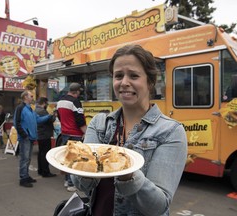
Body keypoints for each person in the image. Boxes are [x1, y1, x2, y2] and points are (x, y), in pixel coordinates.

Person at [71, 44, 187, 215]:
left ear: (150, 81)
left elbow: (157, 207)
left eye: (133, 75)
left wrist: (128, 175)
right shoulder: (99, 124)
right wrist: (82, 165)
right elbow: (82, 185)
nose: (124, 83)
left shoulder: (170, 132)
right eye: (118, 76)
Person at [13, 90, 53, 188]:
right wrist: (24, 134)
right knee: (24, 158)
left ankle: (26, 176)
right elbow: (16, 122)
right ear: (25, 97)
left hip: (30, 137)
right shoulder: (20, 108)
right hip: (25, 137)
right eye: (31, 96)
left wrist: (49, 116)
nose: (32, 98)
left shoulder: (30, 108)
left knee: (28, 158)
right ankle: (23, 178)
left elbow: (38, 120)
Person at [57, 82, 87, 192]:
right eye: (79, 92)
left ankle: (66, 180)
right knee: (74, 160)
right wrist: (86, 132)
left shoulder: (60, 101)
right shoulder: (75, 101)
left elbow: (59, 117)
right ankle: (71, 183)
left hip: (65, 133)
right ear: (77, 91)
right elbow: (80, 120)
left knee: (67, 158)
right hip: (75, 134)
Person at [35, 97, 57, 177]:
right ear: (44, 103)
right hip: (45, 134)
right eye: (46, 103)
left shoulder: (36, 110)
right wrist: (54, 115)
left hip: (40, 134)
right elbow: (51, 120)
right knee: (45, 153)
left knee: (40, 153)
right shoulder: (42, 111)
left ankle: (40, 170)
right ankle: (45, 171)